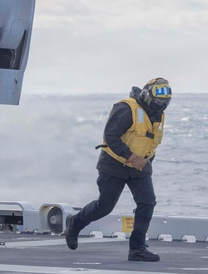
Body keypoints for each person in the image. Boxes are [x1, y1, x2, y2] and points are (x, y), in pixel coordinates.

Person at [64, 77, 171, 262]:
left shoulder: (158, 114)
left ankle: (137, 248)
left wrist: (146, 161)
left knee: (147, 202)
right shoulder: (126, 108)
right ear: (147, 95)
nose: (161, 104)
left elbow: (150, 140)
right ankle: (75, 222)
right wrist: (131, 157)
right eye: (158, 100)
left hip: (140, 166)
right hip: (114, 164)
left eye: (165, 101)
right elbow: (110, 136)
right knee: (104, 206)